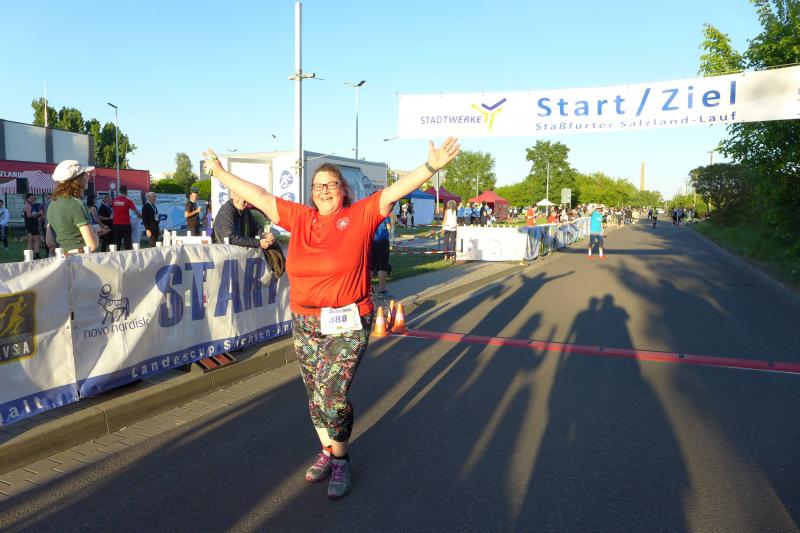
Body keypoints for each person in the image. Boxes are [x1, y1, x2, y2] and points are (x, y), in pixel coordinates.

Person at [202, 136, 460, 499]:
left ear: (343, 190)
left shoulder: (360, 216)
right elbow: (258, 195)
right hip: (305, 321)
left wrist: (431, 167)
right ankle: (327, 450)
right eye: (318, 186)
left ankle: (341, 458)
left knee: (331, 397)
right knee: (314, 396)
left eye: (331, 185)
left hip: (348, 320)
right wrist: (219, 172)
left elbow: (394, 191)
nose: (324, 191)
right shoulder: (300, 218)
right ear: (311, 192)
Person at [46, 160, 98, 254]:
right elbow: (92, 246)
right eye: (85, 173)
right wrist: (95, 233)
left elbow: (49, 242)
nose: (88, 175)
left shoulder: (52, 204)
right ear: (77, 179)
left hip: (62, 256)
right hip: (80, 257)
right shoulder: (77, 204)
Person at [112, 185, 141, 250]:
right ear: (126, 191)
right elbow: (136, 212)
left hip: (116, 224)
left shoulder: (114, 200)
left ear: (119, 191)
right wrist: (141, 215)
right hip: (126, 224)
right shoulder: (128, 200)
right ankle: (128, 255)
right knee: (127, 243)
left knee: (116, 243)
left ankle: (116, 255)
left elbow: (114, 211)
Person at [371, 216, 392, 298]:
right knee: (382, 266)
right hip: (382, 240)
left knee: (370, 267)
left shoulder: (370, 213)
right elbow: (389, 226)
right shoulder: (384, 213)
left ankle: (367, 290)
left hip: (371, 240)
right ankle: (382, 291)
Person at [23, 194, 43, 258]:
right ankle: (36, 254)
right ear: (27, 199)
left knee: (31, 239)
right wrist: (39, 213)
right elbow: (29, 215)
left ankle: (30, 255)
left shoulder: (29, 205)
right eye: (31, 198)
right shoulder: (28, 205)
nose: (33, 199)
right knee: (36, 238)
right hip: (32, 225)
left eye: (34, 198)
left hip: (30, 224)